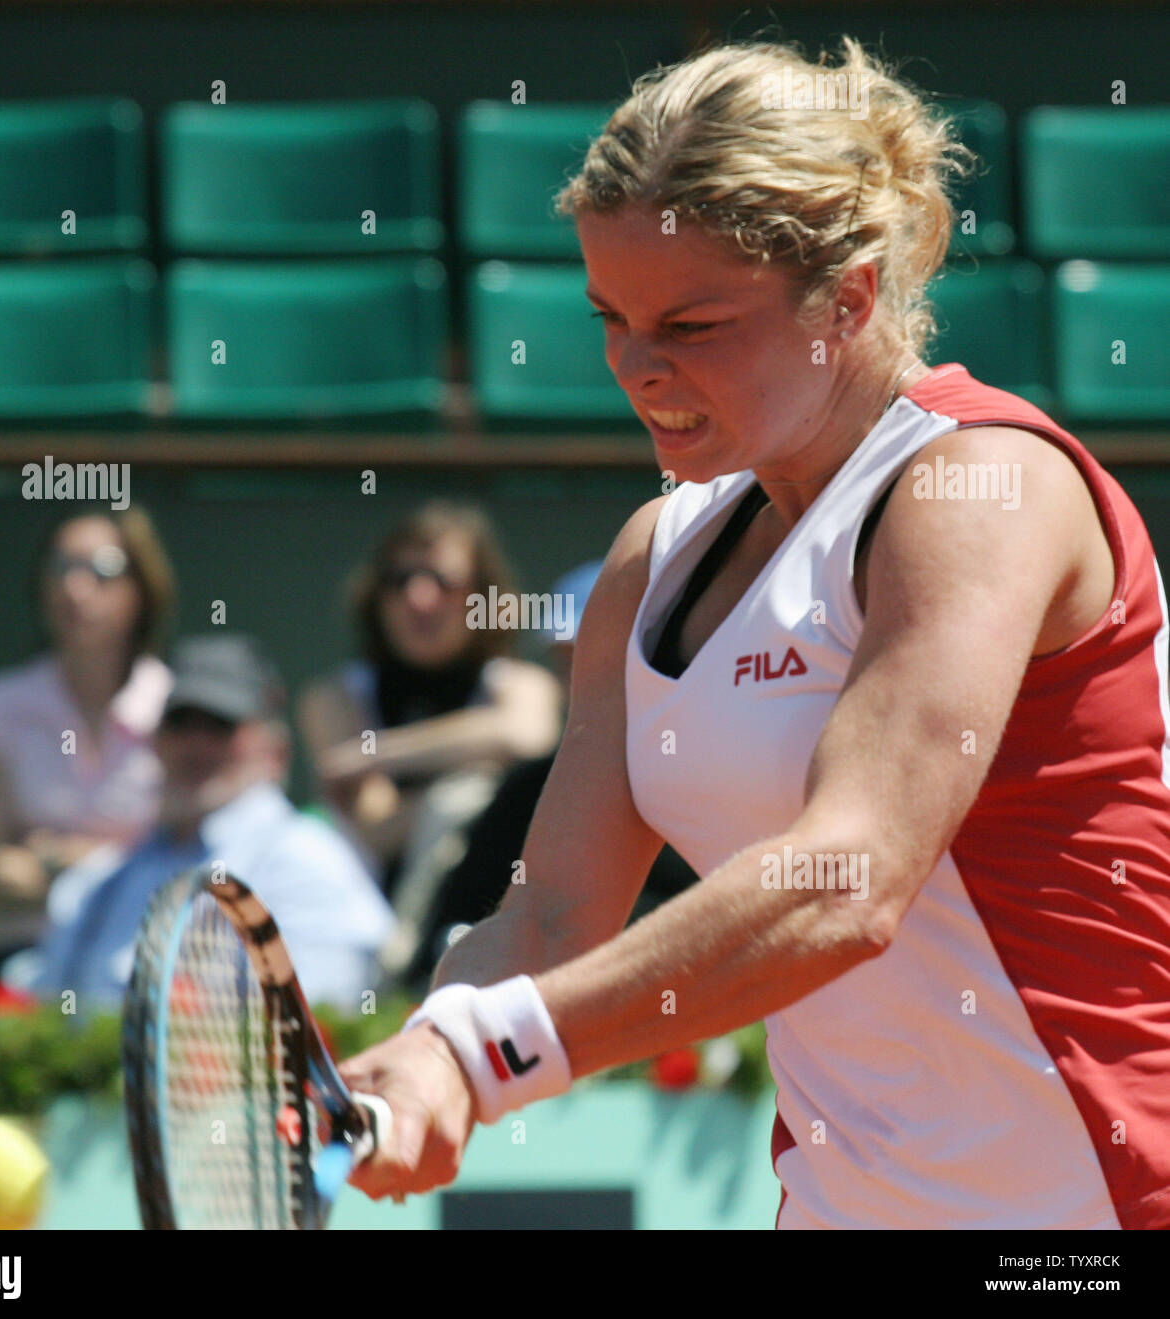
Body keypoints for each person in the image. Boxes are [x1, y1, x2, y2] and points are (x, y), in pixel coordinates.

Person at [335, 37, 1170, 1229]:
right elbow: (554, 914)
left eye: (693, 321)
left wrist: (491, 1057)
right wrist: (422, 1051)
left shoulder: (983, 486)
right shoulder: (651, 557)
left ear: (849, 297)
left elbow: (844, 883)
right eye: (609, 316)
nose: (635, 366)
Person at [7, 634, 394, 1014]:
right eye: (180, 723)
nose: (196, 743)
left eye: (220, 725)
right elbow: (43, 1016)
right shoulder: (102, 879)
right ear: (155, 742)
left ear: (275, 751)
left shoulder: (306, 856)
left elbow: (318, 1024)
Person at [390, 558, 699, 990]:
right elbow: (454, 930)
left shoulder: (716, 781)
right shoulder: (522, 792)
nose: (582, 682)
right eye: (566, 662)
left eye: (601, 658)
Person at [299, 501, 563, 906]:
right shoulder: (334, 698)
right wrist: (479, 773)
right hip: (376, 943)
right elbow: (377, 831)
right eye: (399, 579)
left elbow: (526, 734)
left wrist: (374, 754)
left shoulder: (520, 683)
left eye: (443, 581)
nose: (419, 597)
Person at [0, 508, 175, 975]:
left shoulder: (181, 709)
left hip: (144, 958)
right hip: (18, 955)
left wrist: (53, 857)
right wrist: (123, 858)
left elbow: (184, 867)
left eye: (103, 570)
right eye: (61, 568)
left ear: (142, 589)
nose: (76, 589)